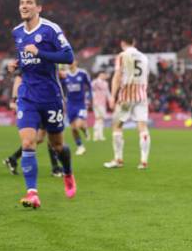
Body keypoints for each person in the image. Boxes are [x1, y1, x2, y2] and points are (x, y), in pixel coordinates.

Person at [8, 0, 77, 209]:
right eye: (21, 3)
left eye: (29, 3)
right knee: (28, 142)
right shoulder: (17, 32)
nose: (24, 6)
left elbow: (68, 56)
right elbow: (24, 55)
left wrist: (39, 53)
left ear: (39, 7)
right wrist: (16, 64)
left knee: (57, 146)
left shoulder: (50, 30)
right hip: (27, 95)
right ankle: (32, 193)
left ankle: (67, 172)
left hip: (50, 96)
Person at [103, 38, 151, 170]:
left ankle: (118, 160)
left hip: (126, 96)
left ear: (122, 43)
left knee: (117, 126)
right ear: (134, 42)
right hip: (141, 96)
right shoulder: (144, 57)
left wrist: (112, 96)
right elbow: (146, 77)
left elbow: (118, 76)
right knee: (142, 128)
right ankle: (143, 161)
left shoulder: (122, 55)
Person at [3, 74, 63, 177]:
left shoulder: (48, 62)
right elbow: (18, 77)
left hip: (47, 100)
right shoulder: (31, 61)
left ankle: (12, 159)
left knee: (39, 139)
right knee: (49, 135)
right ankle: (55, 168)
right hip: (36, 102)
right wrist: (14, 100)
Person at [62, 60, 92, 155]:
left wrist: (89, 97)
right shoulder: (65, 74)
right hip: (70, 104)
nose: (70, 63)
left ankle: (85, 130)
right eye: (68, 62)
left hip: (81, 104)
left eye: (72, 61)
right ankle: (80, 146)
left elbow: (89, 85)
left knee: (79, 125)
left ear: (76, 62)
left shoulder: (82, 73)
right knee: (73, 128)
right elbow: (60, 87)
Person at [91, 71, 111, 141]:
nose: (104, 76)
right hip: (97, 102)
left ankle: (97, 136)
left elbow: (107, 93)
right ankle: (99, 135)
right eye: (103, 75)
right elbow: (91, 90)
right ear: (99, 75)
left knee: (99, 119)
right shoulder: (95, 82)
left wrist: (110, 100)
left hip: (103, 103)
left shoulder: (105, 83)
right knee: (100, 119)